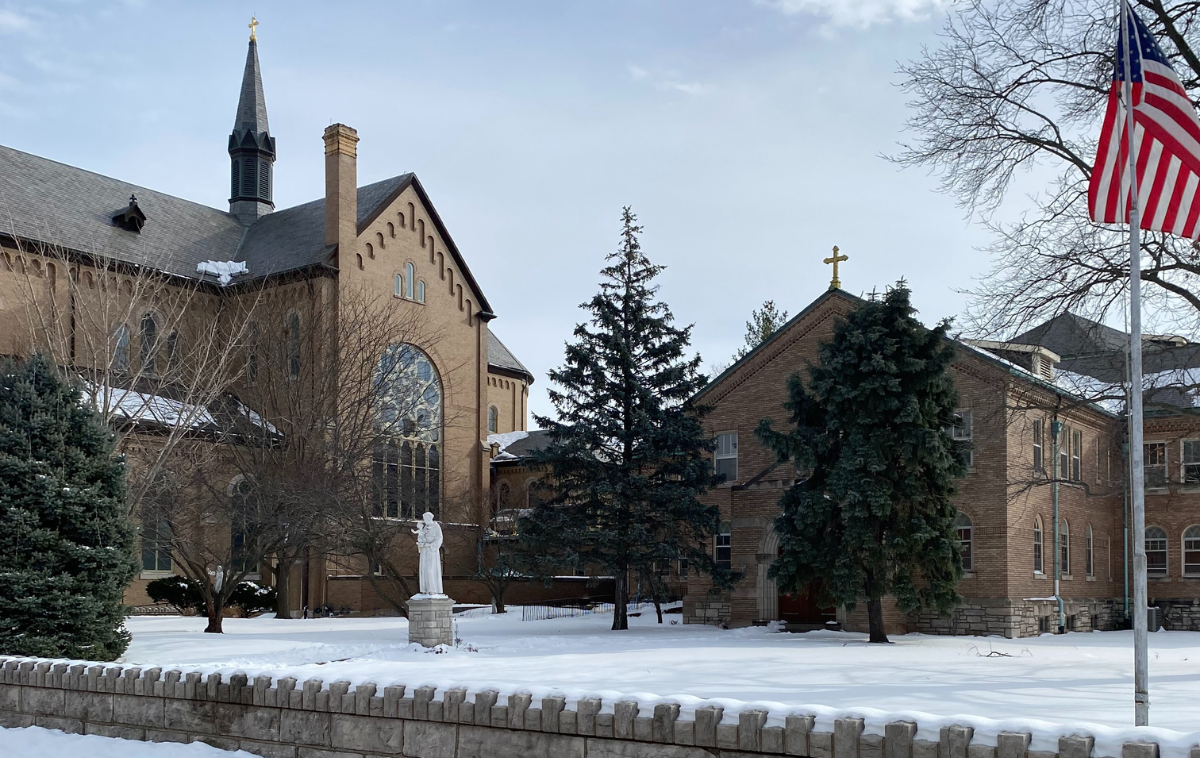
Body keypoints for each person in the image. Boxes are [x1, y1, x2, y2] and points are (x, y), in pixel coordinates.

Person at [413, 511, 444, 595]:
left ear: (430, 518)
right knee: (424, 570)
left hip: (432, 552)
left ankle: (432, 589)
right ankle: (425, 588)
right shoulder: (424, 528)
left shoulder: (436, 527)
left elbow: (439, 539)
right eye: (424, 519)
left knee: (430, 570)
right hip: (424, 552)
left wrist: (431, 546)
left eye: (426, 518)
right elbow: (421, 538)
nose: (425, 520)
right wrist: (421, 543)